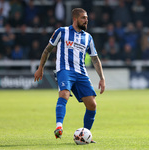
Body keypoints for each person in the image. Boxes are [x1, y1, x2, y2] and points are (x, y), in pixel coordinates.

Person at [34, 8, 105, 143]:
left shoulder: (88, 37)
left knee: (92, 105)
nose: (86, 20)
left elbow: (95, 59)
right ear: (75, 19)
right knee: (64, 94)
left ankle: (85, 135)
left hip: (81, 73)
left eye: (87, 18)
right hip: (64, 70)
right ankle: (59, 127)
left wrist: (102, 78)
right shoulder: (62, 32)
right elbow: (47, 50)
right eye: (83, 18)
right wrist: (40, 68)